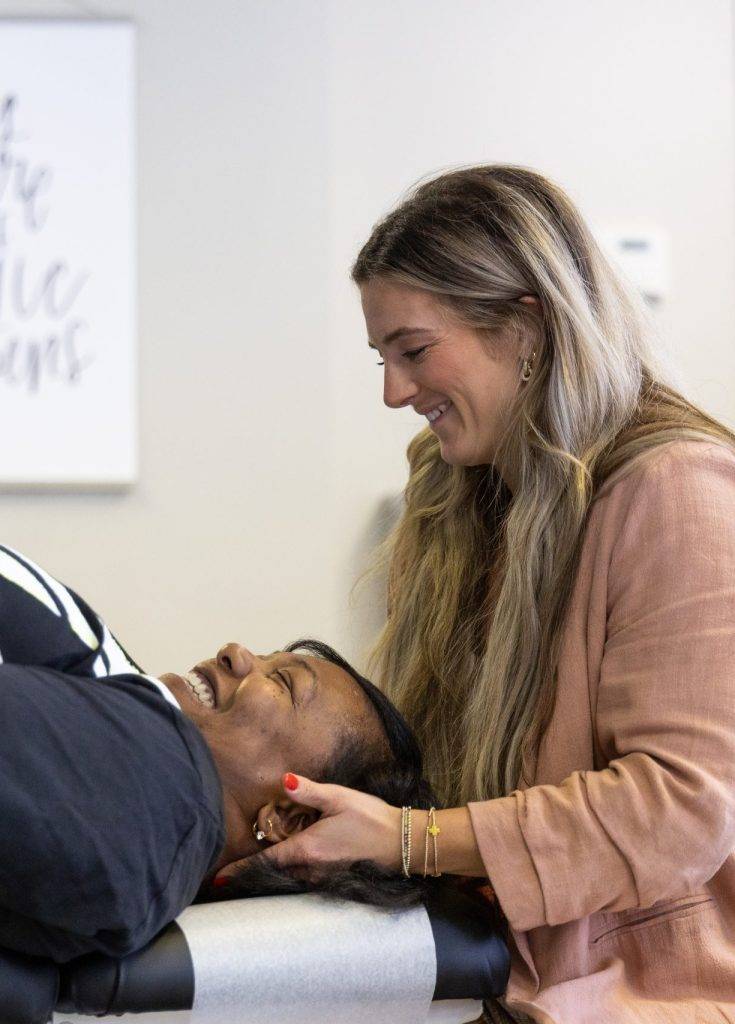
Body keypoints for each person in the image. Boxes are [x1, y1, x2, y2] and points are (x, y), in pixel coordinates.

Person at [237, 165, 735, 1023]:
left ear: (527, 324)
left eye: (414, 350)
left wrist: (407, 842)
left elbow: (679, 810)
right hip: (506, 975)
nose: (394, 391)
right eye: (383, 357)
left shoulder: (677, 490)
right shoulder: (465, 497)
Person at [0, 542, 433, 964]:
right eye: (266, 658)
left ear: (287, 818)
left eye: (283, 682)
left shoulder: (160, 795)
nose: (234, 652)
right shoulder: (148, 751)